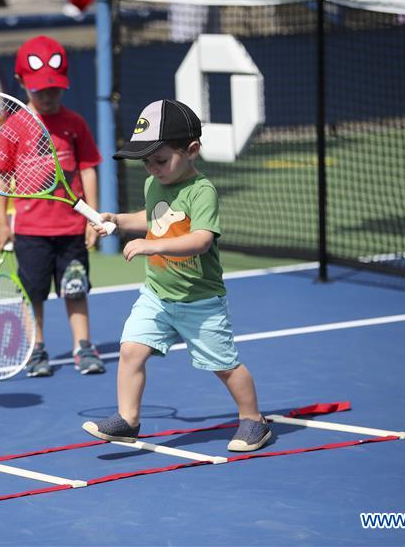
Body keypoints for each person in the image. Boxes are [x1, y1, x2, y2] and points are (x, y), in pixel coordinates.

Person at [81, 99, 271, 452]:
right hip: (157, 294)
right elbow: (154, 218)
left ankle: (253, 420)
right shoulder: (155, 185)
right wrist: (119, 220)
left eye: (161, 159)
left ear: (192, 150)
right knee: (131, 351)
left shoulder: (202, 192)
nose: (153, 169)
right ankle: (127, 420)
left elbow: (200, 240)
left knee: (224, 365)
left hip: (201, 302)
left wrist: (153, 247)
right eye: (146, 161)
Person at [0, 35, 106, 378]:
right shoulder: (13, 128)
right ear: (21, 82)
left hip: (71, 229)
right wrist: (1, 222)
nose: (48, 96)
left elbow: (87, 168)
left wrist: (93, 216)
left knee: (75, 288)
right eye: (39, 90)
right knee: (33, 292)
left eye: (54, 89)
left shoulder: (75, 125)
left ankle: (83, 347)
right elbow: (0, 177)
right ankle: (36, 348)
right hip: (30, 232)